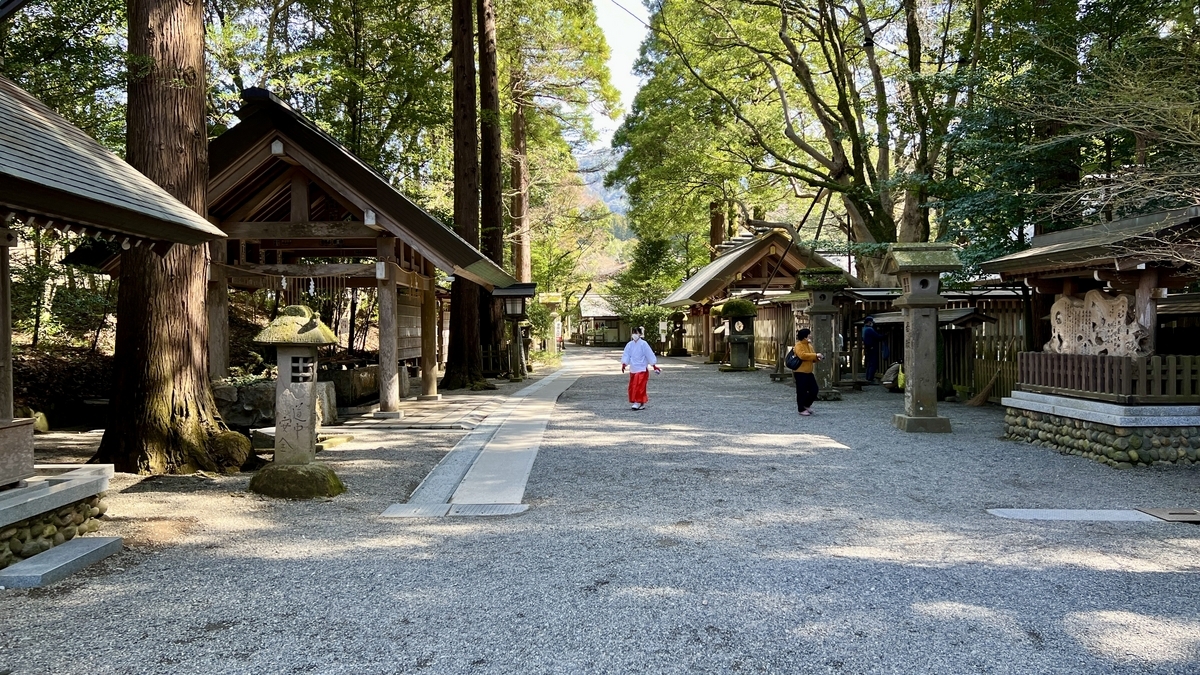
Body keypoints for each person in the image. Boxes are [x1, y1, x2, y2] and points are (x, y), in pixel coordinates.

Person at [621, 326, 660, 410]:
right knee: (633, 386)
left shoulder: (643, 344)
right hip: (633, 368)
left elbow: (649, 354)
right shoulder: (629, 344)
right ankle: (640, 402)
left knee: (639, 386)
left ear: (640, 334)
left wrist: (653, 365)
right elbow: (626, 354)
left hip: (642, 367)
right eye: (633, 332)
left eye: (636, 333)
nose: (634, 334)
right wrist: (624, 363)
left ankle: (637, 402)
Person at [792, 328, 823, 416]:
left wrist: (817, 358)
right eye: (809, 334)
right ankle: (801, 408)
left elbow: (812, 356)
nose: (811, 335)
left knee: (814, 389)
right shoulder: (798, 345)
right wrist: (815, 355)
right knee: (802, 391)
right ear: (805, 336)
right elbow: (802, 355)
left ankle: (806, 404)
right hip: (800, 371)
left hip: (809, 371)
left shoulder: (809, 345)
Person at [862, 316, 883, 383]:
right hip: (872, 348)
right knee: (873, 363)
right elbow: (877, 337)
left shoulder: (864, 329)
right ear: (869, 322)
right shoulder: (869, 329)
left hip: (867, 348)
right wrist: (885, 335)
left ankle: (868, 378)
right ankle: (870, 378)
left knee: (869, 364)